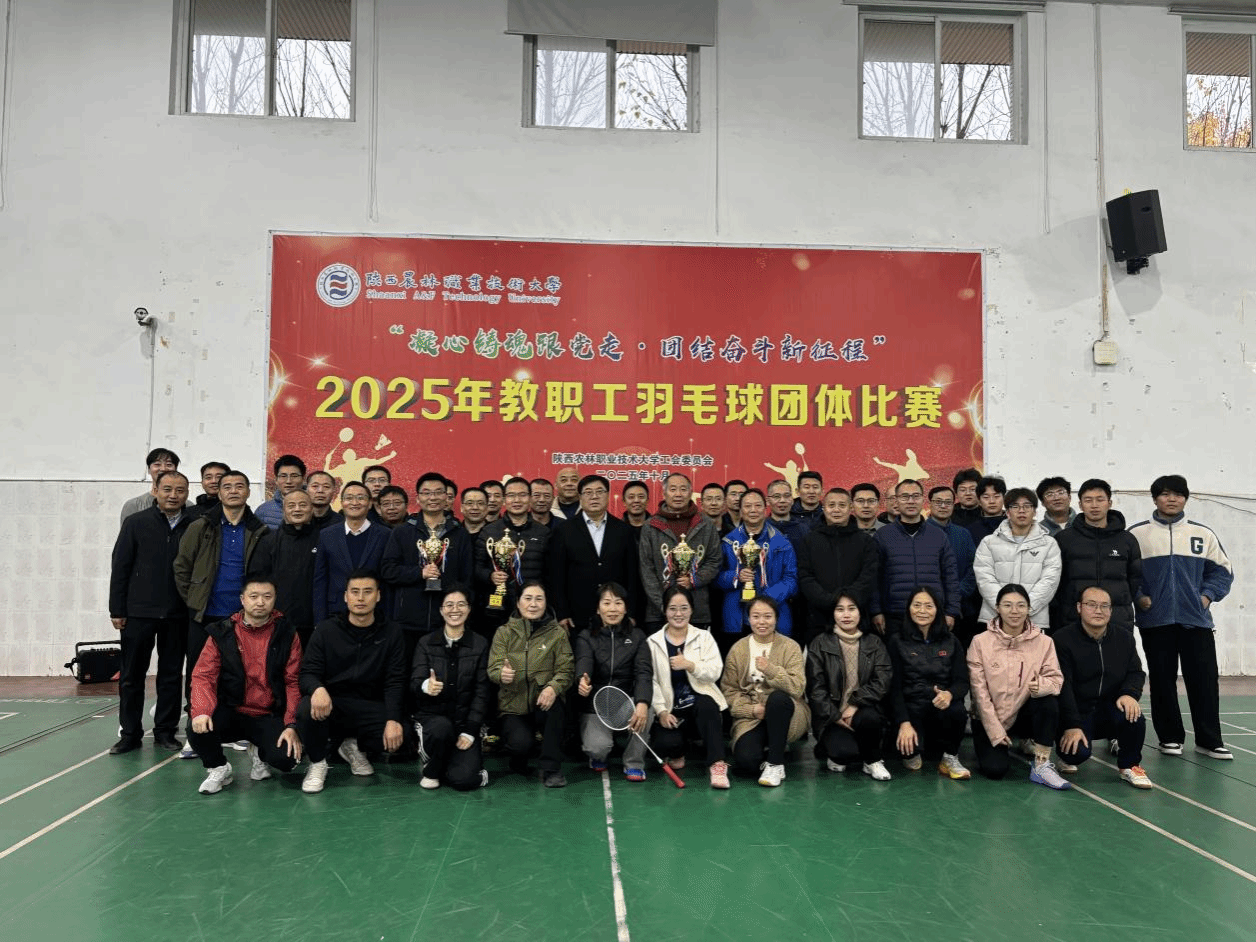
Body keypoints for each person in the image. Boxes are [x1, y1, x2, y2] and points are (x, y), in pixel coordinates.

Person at [1129, 474, 1235, 760]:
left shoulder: (1203, 534)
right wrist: (1140, 598)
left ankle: (1209, 741)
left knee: (1204, 681)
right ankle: (1170, 738)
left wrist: (1206, 596)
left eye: (1177, 494)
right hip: (1156, 621)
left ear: (1186, 498)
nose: (1171, 499)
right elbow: (1127, 573)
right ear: (1155, 499)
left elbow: (1222, 572)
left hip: (1196, 621)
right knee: (1162, 681)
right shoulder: (1137, 535)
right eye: (1165, 494)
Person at [173, 470, 273, 756]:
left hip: (241, 618)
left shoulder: (260, 530)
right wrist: (195, 600)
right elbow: (182, 567)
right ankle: (195, 731)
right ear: (219, 492)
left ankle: (234, 730)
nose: (233, 491)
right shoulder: (201, 526)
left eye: (239, 486)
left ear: (248, 492)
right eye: (227, 486)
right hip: (204, 616)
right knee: (198, 673)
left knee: (238, 675)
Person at [297, 570, 410, 793]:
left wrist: (393, 719)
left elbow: (395, 681)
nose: (360, 598)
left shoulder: (392, 632)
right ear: (345, 596)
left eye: (367, 592)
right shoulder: (326, 630)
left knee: (403, 736)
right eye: (355, 592)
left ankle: (353, 745)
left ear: (378, 596)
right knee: (306, 708)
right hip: (333, 705)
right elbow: (307, 672)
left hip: (370, 705)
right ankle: (318, 762)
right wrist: (317, 688)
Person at [188, 578, 302, 794]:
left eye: (267, 597)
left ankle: (260, 754)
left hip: (268, 714)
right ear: (242, 599)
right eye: (253, 596)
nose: (260, 602)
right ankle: (219, 768)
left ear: (274, 600)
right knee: (196, 727)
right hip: (231, 710)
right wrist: (202, 711)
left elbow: (292, 682)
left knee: (288, 759)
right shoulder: (222, 632)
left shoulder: (287, 634)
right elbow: (203, 675)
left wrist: (291, 725)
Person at [109, 470, 194, 754]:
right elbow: (120, 567)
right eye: (167, 489)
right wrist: (117, 609)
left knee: (171, 675)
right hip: (138, 613)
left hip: (178, 614)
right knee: (131, 676)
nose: (173, 495)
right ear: (155, 490)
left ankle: (165, 732)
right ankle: (129, 734)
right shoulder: (136, 523)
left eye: (180, 490)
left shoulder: (195, 524)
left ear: (187, 493)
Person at [967, 583, 1069, 788]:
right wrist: (995, 731)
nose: (1014, 611)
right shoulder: (979, 642)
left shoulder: (1044, 642)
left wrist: (1043, 686)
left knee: (1047, 702)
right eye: (1007, 605)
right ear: (997, 608)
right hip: (989, 718)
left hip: (1023, 714)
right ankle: (1000, 742)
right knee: (995, 770)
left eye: (1021, 605)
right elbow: (979, 693)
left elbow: (1056, 680)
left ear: (1029, 609)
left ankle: (1041, 764)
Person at [1055, 586, 1153, 788]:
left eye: (1104, 606)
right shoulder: (1062, 639)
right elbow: (1063, 686)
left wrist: (1129, 694)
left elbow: (1136, 672)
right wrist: (1071, 724)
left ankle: (1130, 766)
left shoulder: (1124, 638)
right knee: (1076, 755)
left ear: (1111, 610)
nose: (1098, 611)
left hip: (1109, 708)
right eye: (1091, 605)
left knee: (1133, 715)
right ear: (1079, 607)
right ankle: (1065, 755)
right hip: (1077, 712)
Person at [381, 472, 473, 670]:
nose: (433, 497)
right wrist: (419, 573)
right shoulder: (402, 532)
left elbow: (466, 578)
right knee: (406, 672)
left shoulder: (460, 534)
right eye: (427, 493)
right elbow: (388, 570)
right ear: (418, 498)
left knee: (442, 674)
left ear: (447, 498)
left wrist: (456, 606)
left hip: (447, 619)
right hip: (409, 620)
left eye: (438, 492)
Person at [487, 581, 573, 787]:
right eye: (528, 598)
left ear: (545, 603)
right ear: (518, 603)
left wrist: (553, 687)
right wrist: (501, 674)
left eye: (538, 599)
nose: (533, 604)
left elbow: (566, 669)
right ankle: (518, 759)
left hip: (543, 701)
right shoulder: (504, 632)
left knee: (556, 709)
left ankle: (551, 769)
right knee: (520, 744)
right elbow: (493, 668)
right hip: (513, 706)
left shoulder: (557, 634)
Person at [645, 585, 730, 788]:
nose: (678, 614)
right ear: (664, 610)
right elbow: (651, 681)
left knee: (708, 705)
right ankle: (679, 751)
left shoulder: (704, 637)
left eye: (684, 608)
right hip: (673, 712)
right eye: (672, 608)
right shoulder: (652, 642)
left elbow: (715, 671)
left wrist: (690, 666)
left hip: (699, 708)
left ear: (691, 610)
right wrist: (661, 711)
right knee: (665, 744)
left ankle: (717, 764)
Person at [720, 596, 809, 787]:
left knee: (777, 699)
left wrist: (771, 670)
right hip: (753, 716)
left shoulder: (790, 647)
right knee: (746, 762)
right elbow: (729, 691)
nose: (762, 622)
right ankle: (771, 748)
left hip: (787, 711)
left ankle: (775, 763)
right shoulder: (738, 649)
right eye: (756, 616)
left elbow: (798, 687)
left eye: (768, 616)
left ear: (776, 619)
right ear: (748, 619)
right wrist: (752, 710)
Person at [411, 586, 491, 790]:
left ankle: (441, 766)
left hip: (464, 723)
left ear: (469, 609)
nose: (455, 610)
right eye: (449, 605)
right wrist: (426, 686)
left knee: (463, 780)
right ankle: (433, 766)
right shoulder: (425, 643)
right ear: (441, 610)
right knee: (442, 728)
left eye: (461, 604)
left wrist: (470, 730)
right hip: (433, 721)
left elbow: (482, 692)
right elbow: (415, 682)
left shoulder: (480, 644)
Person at [806, 594, 892, 780]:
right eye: (840, 609)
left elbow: (882, 680)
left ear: (861, 613)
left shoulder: (874, 642)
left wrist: (855, 703)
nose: (846, 615)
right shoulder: (820, 643)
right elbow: (815, 688)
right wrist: (836, 716)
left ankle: (873, 760)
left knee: (870, 718)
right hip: (831, 715)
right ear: (833, 614)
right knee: (843, 754)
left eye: (852, 609)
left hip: (862, 710)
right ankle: (829, 747)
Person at [573, 582, 653, 781]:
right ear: (598, 608)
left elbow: (643, 672)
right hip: (596, 704)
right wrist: (582, 679)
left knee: (648, 710)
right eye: (607, 603)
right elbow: (584, 661)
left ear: (625, 608)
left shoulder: (637, 636)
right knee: (597, 749)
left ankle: (634, 763)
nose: (613, 609)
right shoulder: (586, 636)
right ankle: (598, 755)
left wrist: (642, 703)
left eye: (618, 603)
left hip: (626, 701)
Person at [888, 587, 970, 779]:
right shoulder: (896, 641)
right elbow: (893, 687)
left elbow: (962, 681)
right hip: (911, 709)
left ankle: (950, 757)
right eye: (917, 605)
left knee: (958, 711)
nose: (922, 611)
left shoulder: (951, 640)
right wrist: (904, 723)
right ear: (909, 609)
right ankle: (912, 747)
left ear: (937, 609)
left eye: (928, 606)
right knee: (912, 759)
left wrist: (949, 694)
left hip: (939, 707)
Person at [548, 474, 639, 632]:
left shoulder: (624, 530)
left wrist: (630, 611)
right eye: (588, 492)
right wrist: (562, 613)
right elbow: (556, 575)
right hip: (576, 615)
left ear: (608, 495)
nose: (594, 496)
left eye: (599, 491)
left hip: (615, 614)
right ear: (580, 497)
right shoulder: (564, 530)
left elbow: (633, 575)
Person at [1051, 478, 1142, 634]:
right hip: (1073, 620)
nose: (1094, 505)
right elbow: (1055, 582)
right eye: (1088, 500)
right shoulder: (1064, 539)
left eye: (1100, 500)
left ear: (1109, 503)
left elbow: (1135, 580)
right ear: (1080, 505)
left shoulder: (1127, 540)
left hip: (1117, 620)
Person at [872, 479, 959, 636]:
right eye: (905, 496)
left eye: (916, 496)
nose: (911, 501)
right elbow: (874, 577)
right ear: (896, 501)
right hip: (895, 615)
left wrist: (951, 611)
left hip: (932, 615)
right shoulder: (883, 536)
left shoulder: (938, 536)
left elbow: (950, 576)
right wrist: (876, 611)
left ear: (923, 500)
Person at [716, 489, 797, 653]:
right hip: (737, 618)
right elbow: (716, 577)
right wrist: (736, 577)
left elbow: (791, 579)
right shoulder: (728, 542)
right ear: (740, 510)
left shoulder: (781, 542)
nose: (753, 510)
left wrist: (767, 599)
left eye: (758, 505)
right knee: (738, 665)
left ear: (765, 508)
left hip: (774, 616)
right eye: (747, 506)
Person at [796, 487, 878, 647]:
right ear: (824, 508)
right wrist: (830, 601)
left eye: (842, 505)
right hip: (818, 617)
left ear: (850, 508)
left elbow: (869, 576)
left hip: (856, 617)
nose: (836, 510)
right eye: (831, 505)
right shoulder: (810, 540)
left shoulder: (865, 541)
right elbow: (805, 576)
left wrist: (848, 603)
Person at [639, 473, 722, 629]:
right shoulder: (650, 526)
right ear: (664, 493)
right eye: (673, 489)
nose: (678, 494)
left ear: (690, 493)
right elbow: (646, 569)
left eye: (683, 489)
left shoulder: (705, 524)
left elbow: (714, 560)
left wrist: (694, 580)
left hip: (697, 610)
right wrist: (664, 605)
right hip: (659, 612)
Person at [972, 487, 1062, 631]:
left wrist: (1025, 608)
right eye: (1015, 506)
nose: (1021, 511)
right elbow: (984, 579)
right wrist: (1004, 608)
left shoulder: (1049, 544)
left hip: (1034, 619)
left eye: (1027, 506)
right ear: (1007, 512)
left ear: (1035, 511)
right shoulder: (989, 542)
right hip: (995, 618)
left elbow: (1050, 581)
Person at [474, 477, 552, 635]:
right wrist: (490, 576)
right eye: (511, 495)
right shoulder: (489, 531)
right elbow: (476, 567)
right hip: (497, 606)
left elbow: (551, 573)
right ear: (504, 500)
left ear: (530, 498)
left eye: (522, 495)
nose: (517, 500)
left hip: (532, 607)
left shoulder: (543, 533)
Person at [313, 481, 391, 623]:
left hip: (375, 613)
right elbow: (320, 579)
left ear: (370, 503)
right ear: (342, 503)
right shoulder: (327, 535)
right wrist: (319, 620)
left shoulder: (385, 535)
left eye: (361, 498)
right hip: (336, 611)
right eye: (349, 498)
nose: (355, 503)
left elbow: (388, 577)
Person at [926, 485, 979, 647]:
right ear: (929, 504)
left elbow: (974, 567)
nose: (943, 506)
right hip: (929, 606)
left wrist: (957, 592)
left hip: (962, 607)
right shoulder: (921, 532)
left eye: (948, 502)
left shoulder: (963, 533)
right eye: (938, 502)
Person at [270, 490, 320, 646]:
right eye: (291, 505)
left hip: (314, 621)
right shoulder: (270, 540)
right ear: (284, 510)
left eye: (303, 505)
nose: (297, 509)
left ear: (312, 508)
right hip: (279, 620)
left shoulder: (324, 539)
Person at [119, 448, 181, 522]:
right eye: (157, 464)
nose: (163, 469)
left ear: (176, 470)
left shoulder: (187, 505)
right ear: (149, 470)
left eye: (169, 465)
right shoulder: (134, 505)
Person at [254, 455, 306, 528]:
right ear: (276, 480)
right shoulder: (263, 511)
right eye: (283, 476)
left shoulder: (314, 508)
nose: (288, 481)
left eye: (294, 476)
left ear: (303, 479)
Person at [766, 478, 810, 553]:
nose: (782, 500)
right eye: (777, 496)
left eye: (787, 496)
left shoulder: (804, 529)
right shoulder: (762, 527)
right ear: (767, 501)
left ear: (792, 500)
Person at [965, 475, 1007, 545]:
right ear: (979, 501)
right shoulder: (970, 530)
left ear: (1004, 498)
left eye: (996, 496)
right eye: (986, 497)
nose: (992, 501)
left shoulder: (1014, 525)